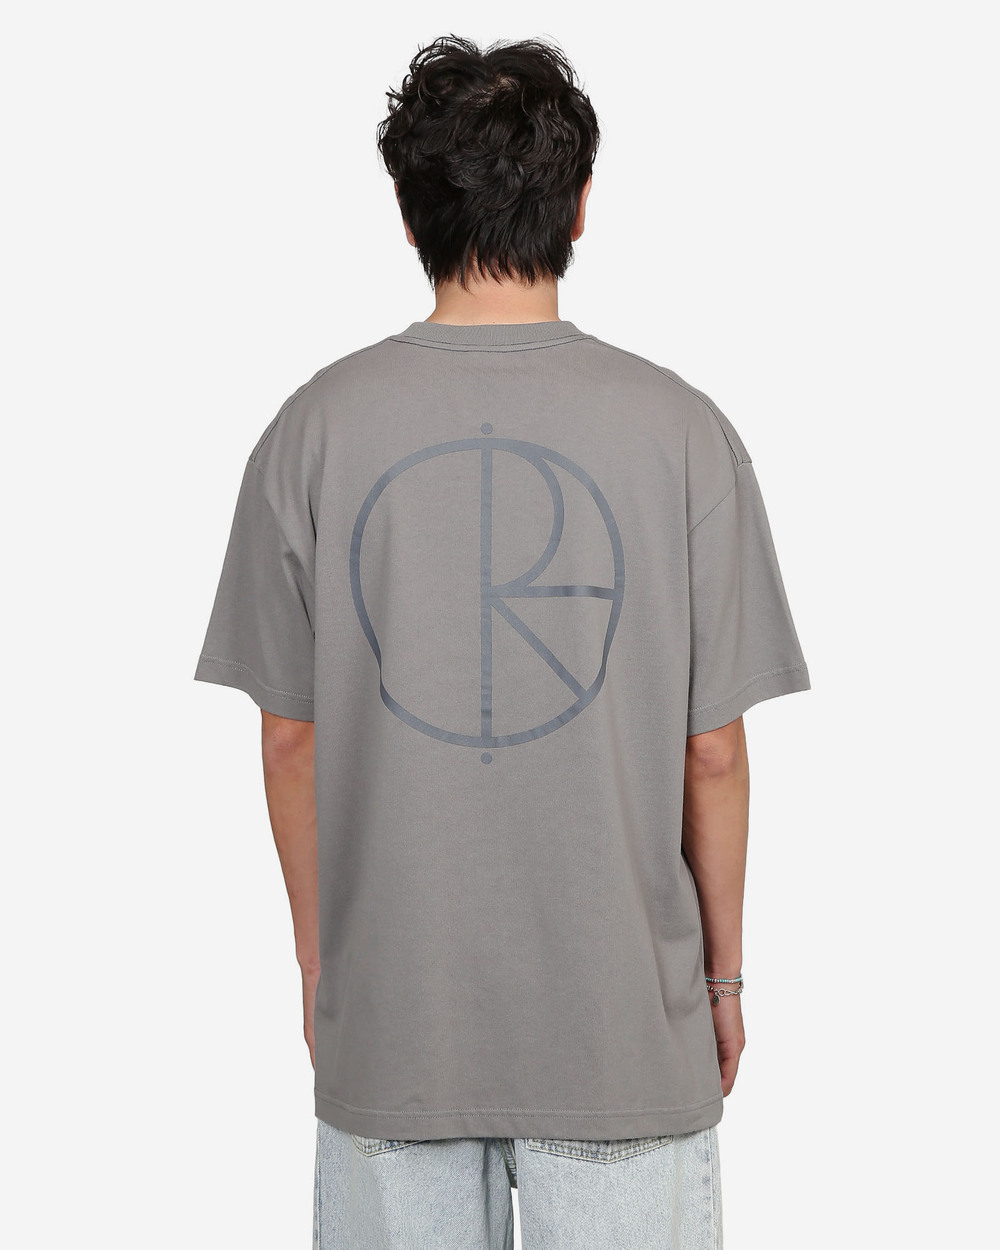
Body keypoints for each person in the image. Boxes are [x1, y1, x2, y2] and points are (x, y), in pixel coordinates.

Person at [194, 33, 811, 1249]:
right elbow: (713, 752)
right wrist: (722, 979)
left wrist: (324, 968)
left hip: (397, 1029)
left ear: (407, 212)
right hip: (623, 1030)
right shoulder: (682, 432)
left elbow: (288, 740)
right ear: (579, 206)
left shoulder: (312, 430)